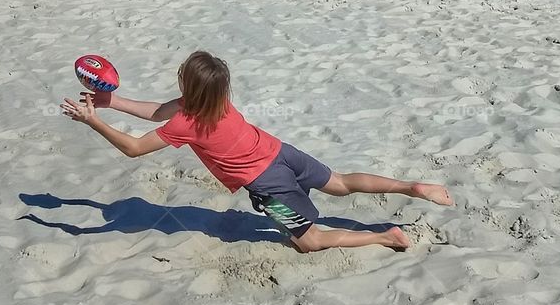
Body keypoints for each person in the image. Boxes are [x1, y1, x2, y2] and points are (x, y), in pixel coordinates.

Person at [61, 51, 453, 252]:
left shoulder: (186, 121)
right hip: (281, 151)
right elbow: (158, 111)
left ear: (189, 87)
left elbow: (133, 148)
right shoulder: (216, 101)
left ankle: (386, 238)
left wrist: (92, 120)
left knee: (309, 242)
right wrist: (113, 103)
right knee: (340, 183)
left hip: (268, 185)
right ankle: (412, 187)